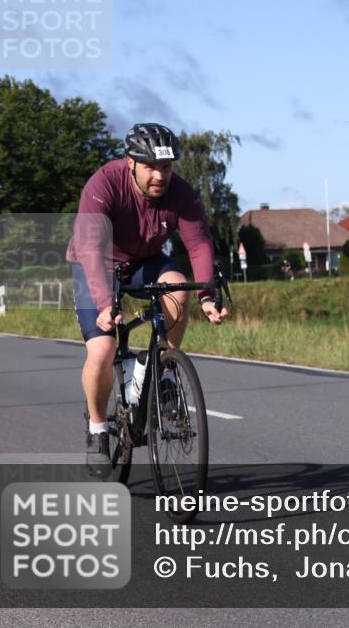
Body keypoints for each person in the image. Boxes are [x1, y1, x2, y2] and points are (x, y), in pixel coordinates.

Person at [67, 123, 229, 478]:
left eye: (167, 168)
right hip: (97, 263)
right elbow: (91, 249)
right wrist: (106, 302)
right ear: (131, 163)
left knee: (178, 285)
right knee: (102, 351)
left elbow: (199, 244)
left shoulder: (182, 194)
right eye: (151, 167)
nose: (160, 176)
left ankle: (163, 370)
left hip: (144, 262)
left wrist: (206, 297)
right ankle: (97, 429)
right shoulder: (103, 184)